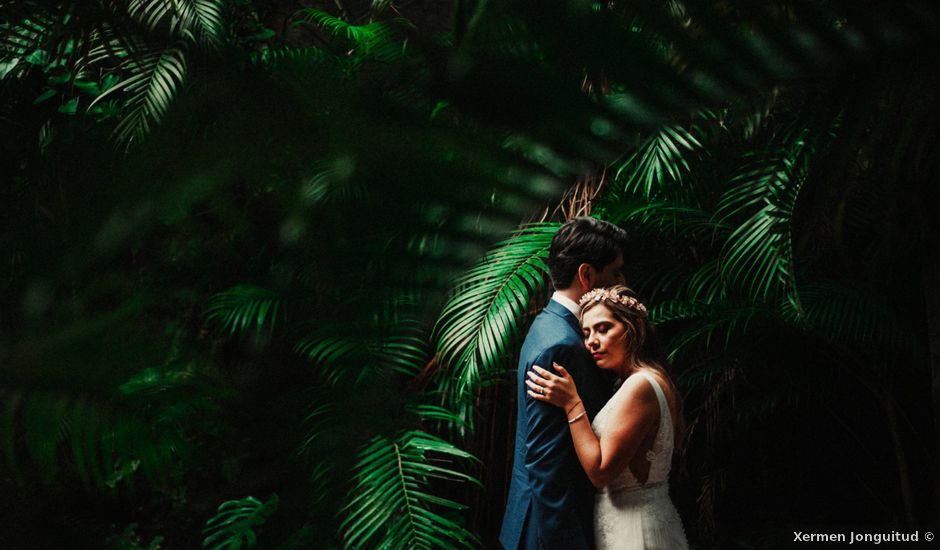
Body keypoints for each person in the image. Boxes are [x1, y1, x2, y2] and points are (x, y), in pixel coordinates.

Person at [526, 285, 690, 550]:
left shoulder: (640, 386)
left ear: (632, 329)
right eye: (587, 332)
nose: (591, 341)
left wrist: (571, 403)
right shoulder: (649, 379)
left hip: (634, 531)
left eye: (603, 328)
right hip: (637, 520)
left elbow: (601, 472)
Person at [500, 217, 629, 550]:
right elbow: (548, 462)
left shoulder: (547, 325)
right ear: (586, 275)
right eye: (615, 272)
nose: (621, 282)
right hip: (551, 529)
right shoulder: (563, 345)